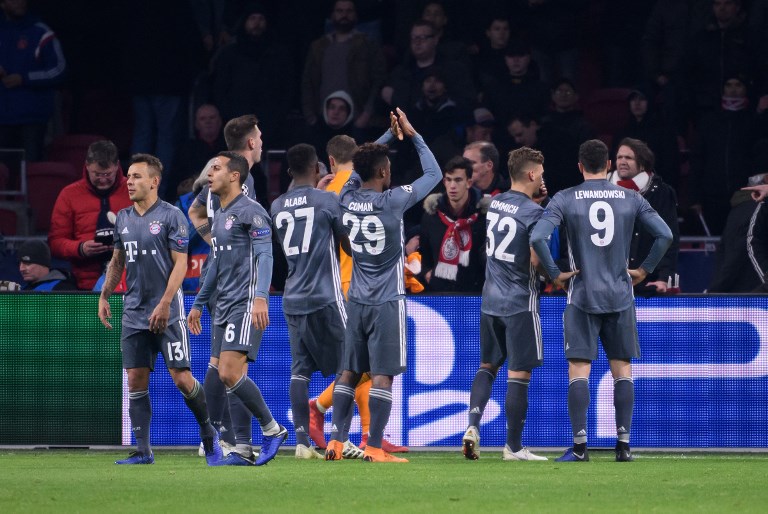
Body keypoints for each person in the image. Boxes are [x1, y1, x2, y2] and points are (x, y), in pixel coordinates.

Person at [530, 139, 672, 462]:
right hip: (621, 295)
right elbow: (665, 235)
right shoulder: (631, 198)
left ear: (580, 166)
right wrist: (644, 270)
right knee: (622, 370)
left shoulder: (564, 198)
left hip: (581, 295)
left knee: (579, 370)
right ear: (608, 165)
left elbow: (538, 237)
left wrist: (554, 274)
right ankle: (623, 446)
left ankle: (580, 447)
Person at [324, 108, 442, 463]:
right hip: (387, 300)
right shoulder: (394, 201)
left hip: (356, 299)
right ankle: (375, 447)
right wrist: (412, 134)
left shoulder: (344, 196)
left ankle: (335, 442)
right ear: (384, 171)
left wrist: (388, 137)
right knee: (382, 375)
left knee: (349, 371)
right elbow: (433, 173)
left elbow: (362, 166)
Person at [98, 153, 221, 465]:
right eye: (128, 176)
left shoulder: (171, 216)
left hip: (168, 310)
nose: (129, 181)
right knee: (135, 379)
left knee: (181, 378)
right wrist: (104, 295)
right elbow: (117, 262)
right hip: (134, 311)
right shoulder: (123, 218)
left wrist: (166, 303)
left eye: (137, 176)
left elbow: (180, 264)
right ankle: (143, 451)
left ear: (154, 182)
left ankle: (208, 431)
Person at [308, 134, 408, 454]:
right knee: (370, 367)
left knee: (360, 366)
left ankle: (365, 433)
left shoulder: (336, 190)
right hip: (360, 281)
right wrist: (391, 134)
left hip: (351, 281)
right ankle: (327, 411)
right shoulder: (351, 187)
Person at [188, 151, 287, 466]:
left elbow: (266, 256)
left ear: (234, 175)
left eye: (215, 168)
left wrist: (260, 297)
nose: (209, 174)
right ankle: (234, 448)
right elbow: (215, 265)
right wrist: (199, 304)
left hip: (245, 302)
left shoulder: (252, 211)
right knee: (219, 370)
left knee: (230, 372)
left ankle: (271, 430)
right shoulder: (219, 215)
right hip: (223, 303)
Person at [462, 146, 550, 462]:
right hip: (518, 302)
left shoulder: (497, 202)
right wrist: (554, 274)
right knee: (519, 373)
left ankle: (473, 425)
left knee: (487, 366)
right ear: (530, 174)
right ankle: (513, 447)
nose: (543, 176)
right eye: (540, 172)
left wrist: (536, 203)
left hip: (490, 300)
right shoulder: (535, 213)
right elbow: (537, 259)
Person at [270, 143, 355, 459]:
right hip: (326, 297)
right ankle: (338, 439)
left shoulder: (277, 206)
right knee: (351, 364)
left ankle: (302, 443)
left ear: (289, 172)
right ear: (318, 169)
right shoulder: (328, 200)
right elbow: (346, 245)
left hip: (292, 298)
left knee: (299, 371)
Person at [49, 140, 132, 290]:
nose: (103, 179)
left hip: (130, 281)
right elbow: (55, 242)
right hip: (85, 283)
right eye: (97, 174)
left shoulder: (135, 191)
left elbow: (154, 235)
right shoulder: (69, 194)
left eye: (108, 174)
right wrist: (80, 248)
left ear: (117, 165)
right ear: (87, 166)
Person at [607, 138, 679, 294]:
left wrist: (663, 277)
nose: (622, 161)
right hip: (607, 280)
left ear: (643, 163)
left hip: (646, 280)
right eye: (619, 157)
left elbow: (669, 238)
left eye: (629, 158)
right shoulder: (600, 189)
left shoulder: (661, 193)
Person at [301, 0, 385, 131]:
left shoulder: (368, 45)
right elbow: (307, 83)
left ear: (356, 15)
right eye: (340, 11)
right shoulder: (318, 46)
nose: (344, 15)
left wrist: (366, 114)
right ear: (332, 15)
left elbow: (379, 81)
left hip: (358, 122)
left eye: (349, 11)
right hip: (322, 121)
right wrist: (311, 117)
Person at [0, 0, 66, 161]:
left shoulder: (41, 32)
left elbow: (59, 69)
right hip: (3, 117)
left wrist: (24, 78)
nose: (19, 2)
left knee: (31, 171)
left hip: (32, 117)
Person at [418, 156, 486, 292]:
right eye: (448, 180)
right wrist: (426, 272)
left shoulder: (483, 217)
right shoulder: (431, 216)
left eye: (458, 180)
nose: (452, 186)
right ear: (444, 182)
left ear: (469, 183)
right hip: (439, 293)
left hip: (474, 294)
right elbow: (424, 253)